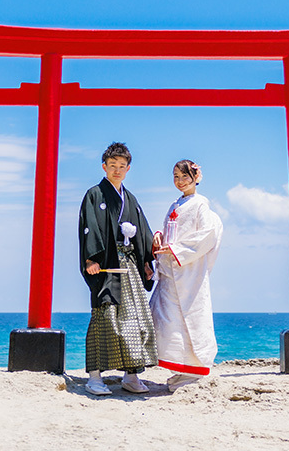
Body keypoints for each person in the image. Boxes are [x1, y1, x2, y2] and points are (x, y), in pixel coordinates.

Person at [78, 141, 157, 396]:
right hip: (107, 264)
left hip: (130, 265)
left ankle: (131, 376)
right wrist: (91, 259)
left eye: (122, 166)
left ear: (128, 168)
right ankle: (94, 377)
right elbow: (89, 227)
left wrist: (146, 262)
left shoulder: (130, 199)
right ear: (104, 166)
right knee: (105, 317)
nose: (117, 170)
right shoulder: (95, 195)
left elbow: (142, 232)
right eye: (113, 165)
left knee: (136, 319)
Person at [150, 159, 223, 392]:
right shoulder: (175, 204)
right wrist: (160, 235)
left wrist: (177, 249)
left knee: (191, 318)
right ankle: (180, 368)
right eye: (176, 177)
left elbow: (208, 234)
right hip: (170, 272)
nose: (180, 181)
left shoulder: (200, 204)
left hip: (189, 271)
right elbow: (171, 230)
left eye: (185, 176)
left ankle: (193, 369)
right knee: (167, 320)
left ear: (195, 177)